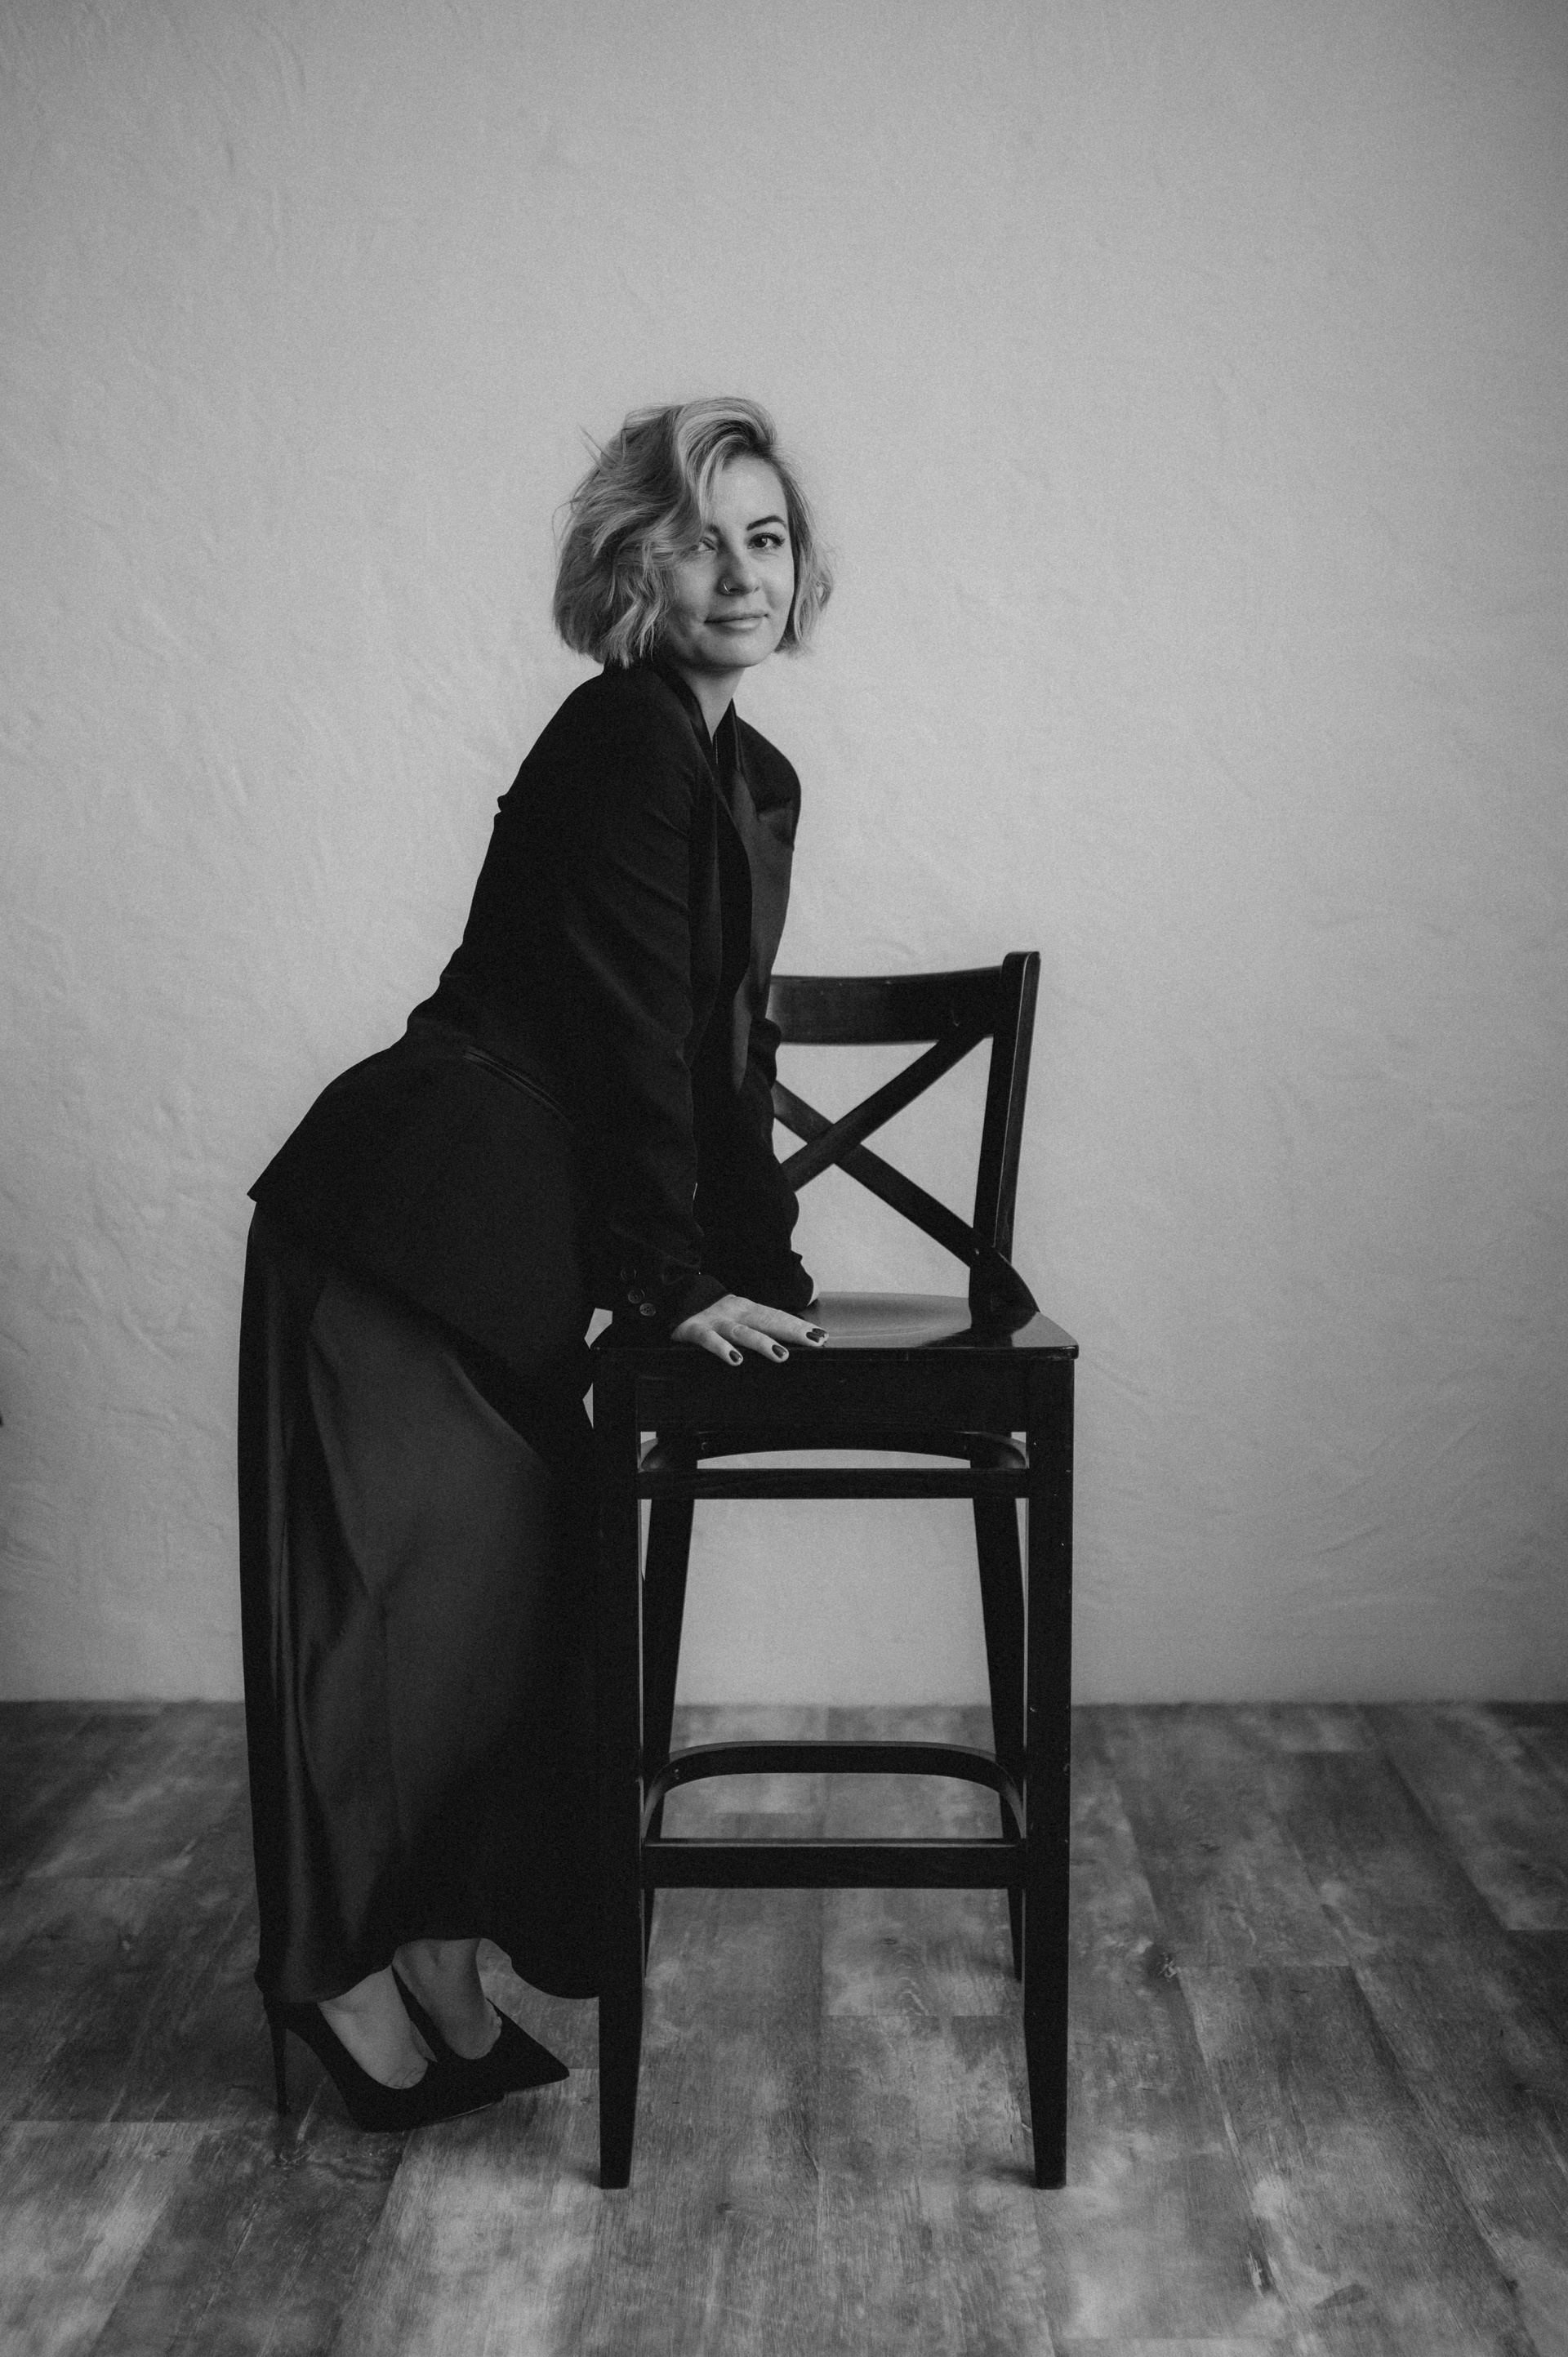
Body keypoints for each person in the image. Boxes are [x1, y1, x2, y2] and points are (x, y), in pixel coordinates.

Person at [237, 397, 833, 2130]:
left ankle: (439, 1953)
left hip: (512, 1247)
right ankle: (336, 1972)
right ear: (640, 568)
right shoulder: (622, 738)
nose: (742, 573)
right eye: (703, 540)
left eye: (768, 539)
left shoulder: (753, 778)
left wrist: (767, 1270)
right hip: (411, 1223)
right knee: (379, 1630)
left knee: (501, 1630)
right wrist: (672, 1280)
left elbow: (724, 1055)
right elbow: (635, 1032)